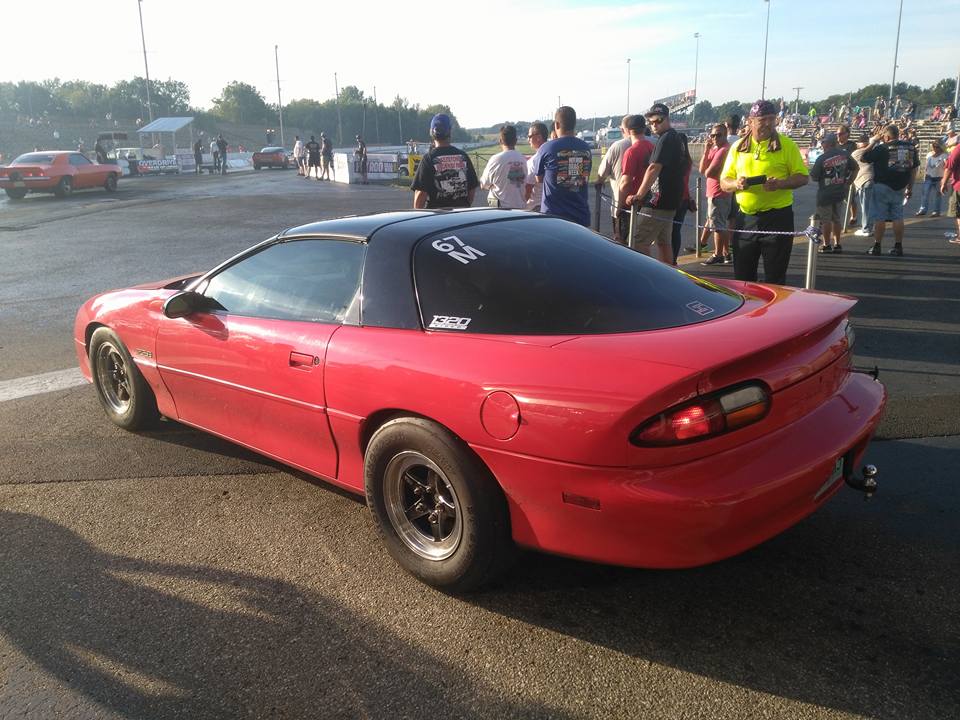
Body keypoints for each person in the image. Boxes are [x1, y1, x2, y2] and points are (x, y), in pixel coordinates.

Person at [719, 99, 809, 285]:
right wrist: (736, 183)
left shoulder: (787, 145)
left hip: (778, 218)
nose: (768, 123)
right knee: (743, 277)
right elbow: (724, 182)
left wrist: (780, 184)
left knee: (775, 278)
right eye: (763, 119)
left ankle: (774, 314)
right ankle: (748, 313)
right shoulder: (738, 148)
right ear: (751, 121)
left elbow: (802, 177)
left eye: (772, 119)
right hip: (745, 219)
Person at [625, 103, 689, 263]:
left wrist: (639, 194)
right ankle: (668, 273)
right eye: (651, 122)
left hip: (658, 200)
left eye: (658, 121)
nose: (654, 125)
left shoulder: (666, 138)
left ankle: (652, 273)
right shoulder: (675, 137)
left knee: (636, 239)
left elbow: (654, 167)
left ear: (667, 119)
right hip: (671, 200)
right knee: (664, 241)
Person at [860, 124, 920, 257]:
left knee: (880, 217)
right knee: (898, 216)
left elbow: (863, 157)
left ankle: (877, 245)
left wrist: (873, 141)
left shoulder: (882, 148)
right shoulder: (910, 147)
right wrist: (910, 187)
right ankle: (898, 246)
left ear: (886, 136)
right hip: (900, 186)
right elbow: (913, 169)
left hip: (882, 185)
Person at [535, 106, 593, 226]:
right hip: (580, 214)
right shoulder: (585, 148)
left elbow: (538, 178)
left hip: (553, 216)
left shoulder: (546, 148)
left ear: (556, 125)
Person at [411, 112, 478, 208]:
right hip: (462, 215)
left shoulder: (428, 159)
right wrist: (464, 205)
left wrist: (417, 217)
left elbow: (421, 193)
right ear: (450, 131)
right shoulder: (463, 156)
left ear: (431, 132)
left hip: (437, 218)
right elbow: (471, 189)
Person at [809, 133, 856, 253]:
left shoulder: (822, 158)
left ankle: (826, 244)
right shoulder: (845, 155)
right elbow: (856, 168)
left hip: (825, 192)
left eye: (823, 142)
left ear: (828, 143)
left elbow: (814, 177)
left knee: (825, 220)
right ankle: (837, 244)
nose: (822, 145)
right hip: (840, 190)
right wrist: (849, 181)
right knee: (836, 218)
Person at [616, 115, 655, 246]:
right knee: (643, 242)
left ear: (628, 130)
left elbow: (625, 182)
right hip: (649, 199)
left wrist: (619, 205)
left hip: (633, 202)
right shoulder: (651, 147)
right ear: (644, 129)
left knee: (627, 242)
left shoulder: (631, 151)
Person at [595, 115, 633, 241]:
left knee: (620, 239)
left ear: (624, 130)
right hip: (647, 202)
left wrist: (599, 182)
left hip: (621, 202)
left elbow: (602, 172)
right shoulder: (652, 142)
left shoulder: (617, 146)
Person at [699, 123, 732, 265]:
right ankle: (726, 253)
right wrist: (706, 151)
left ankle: (718, 253)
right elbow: (702, 169)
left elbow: (709, 172)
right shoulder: (714, 149)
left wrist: (708, 168)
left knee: (718, 225)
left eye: (718, 135)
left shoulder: (724, 150)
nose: (715, 138)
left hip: (719, 192)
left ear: (725, 135)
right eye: (712, 135)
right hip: (713, 191)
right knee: (716, 222)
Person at [479, 125, 530, 209]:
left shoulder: (495, 159)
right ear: (516, 141)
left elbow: (483, 184)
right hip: (520, 208)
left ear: (500, 141)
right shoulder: (523, 159)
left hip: (501, 210)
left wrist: (492, 185)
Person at [851, 133, 875, 237]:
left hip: (864, 181)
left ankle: (866, 229)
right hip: (869, 181)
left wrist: (873, 142)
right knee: (868, 206)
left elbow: (865, 149)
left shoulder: (857, 152)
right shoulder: (867, 152)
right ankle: (868, 227)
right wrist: (873, 142)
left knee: (866, 207)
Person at [917, 140, 948, 216]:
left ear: (941, 147)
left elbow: (947, 166)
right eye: (933, 146)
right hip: (929, 177)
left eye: (937, 147)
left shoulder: (944, 155)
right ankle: (923, 209)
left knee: (937, 195)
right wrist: (924, 175)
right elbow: (927, 166)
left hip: (939, 178)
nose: (935, 148)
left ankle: (936, 211)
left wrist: (945, 180)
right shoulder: (929, 154)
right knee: (925, 194)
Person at [523, 121, 548, 212]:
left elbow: (528, 188)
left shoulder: (534, 160)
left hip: (535, 206)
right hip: (550, 205)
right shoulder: (551, 155)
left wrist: (521, 206)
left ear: (538, 137)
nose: (528, 140)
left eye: (529, 136)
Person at [837, 125, 859, 225]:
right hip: (836, 175)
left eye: (841, 134)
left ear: (847, 134)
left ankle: (853, 216)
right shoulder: (835, 145)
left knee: (850, 198)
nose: (838, 136)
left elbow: (854, 161)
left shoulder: (851, 145)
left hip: (849, 175)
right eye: (837, 134)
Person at [941, 139, 960, 239]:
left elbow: (949, 167)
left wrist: (944, 182)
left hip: (959, 185)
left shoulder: (958, 149)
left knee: (959, 213)